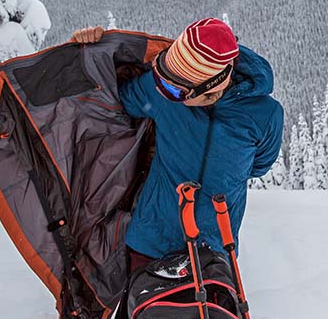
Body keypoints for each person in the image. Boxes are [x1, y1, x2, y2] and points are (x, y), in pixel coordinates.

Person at [72, 18, 283, 274]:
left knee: (212, 314)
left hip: (216, 247)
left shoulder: (265, 115)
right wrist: (90, 53)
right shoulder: (160, 91)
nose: (163, 91)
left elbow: (259, 166)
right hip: (151, 239)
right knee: (141, 313)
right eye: (162, 81)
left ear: (210, 90)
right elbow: (110, 99)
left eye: (174, 91)